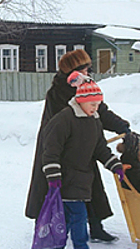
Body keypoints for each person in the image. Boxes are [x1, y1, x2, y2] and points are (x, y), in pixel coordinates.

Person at [25, 49, 131, 242]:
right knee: (53, 187)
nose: (88, 73)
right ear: (74, 72)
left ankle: (96, 226)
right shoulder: (58, 92)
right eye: (85, 69)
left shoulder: (84, 87)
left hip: (82, 144)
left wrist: (122, 126)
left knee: (88, 184)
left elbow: (100, 110)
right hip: (58, 147)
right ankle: (47, 226)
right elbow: (66, 121)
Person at [40, 72, 124, 249]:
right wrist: (53, 175)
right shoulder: (64, 119)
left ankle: (55, 244)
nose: (96, 108)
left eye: (98, 104)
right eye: (93, 104)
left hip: (82, 180)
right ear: (80, 100)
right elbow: (51, 149)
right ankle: (80, 246)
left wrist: (115, 166)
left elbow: (100, 148)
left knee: (69, 219)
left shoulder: (94, 121)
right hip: (65, 179)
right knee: (78, 217)